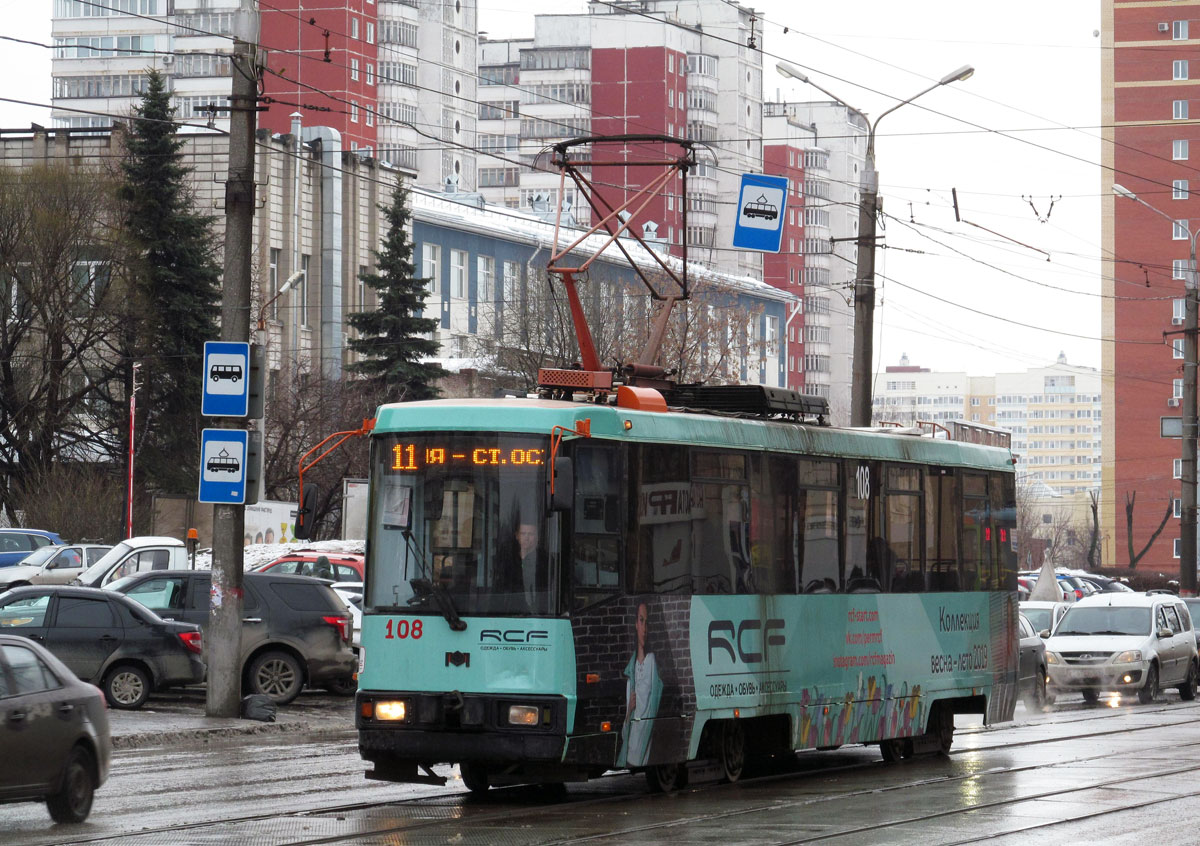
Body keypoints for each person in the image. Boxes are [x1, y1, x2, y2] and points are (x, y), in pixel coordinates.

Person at [619, 601, 663, 768]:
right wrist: (629, 710)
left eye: (647, 622)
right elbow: (625, 732)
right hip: (629, 754)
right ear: (636, 625)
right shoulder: (631, 671)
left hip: (644, 754)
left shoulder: (652, 662)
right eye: (641, 620)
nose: (645, 628)